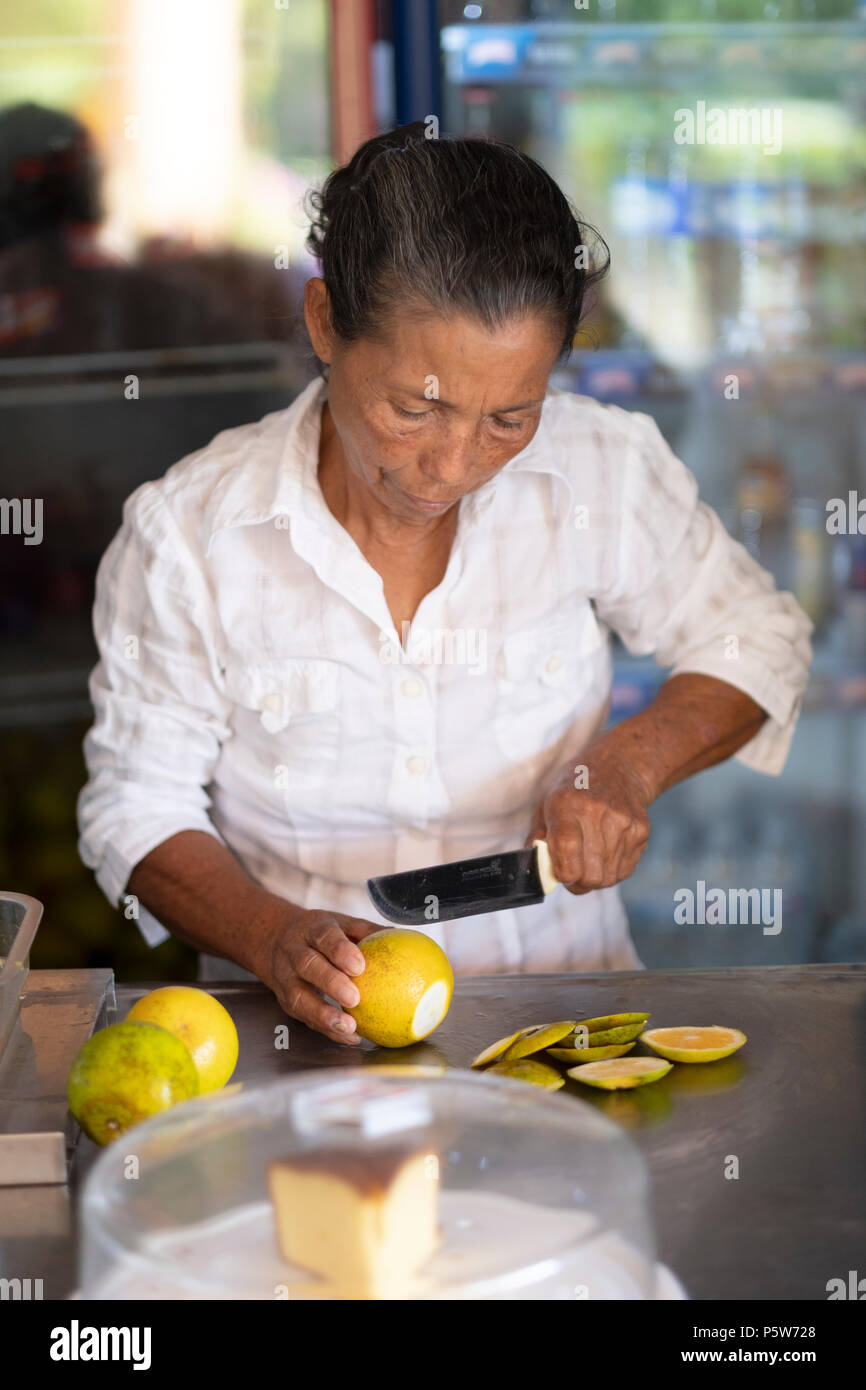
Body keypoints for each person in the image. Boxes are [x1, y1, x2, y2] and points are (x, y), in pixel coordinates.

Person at [77, 124, 812, 1045]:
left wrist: (628, 765)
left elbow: (754, 635)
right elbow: (137, 805)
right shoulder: (188, 533)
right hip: (302, 1047)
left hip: (567, 1019)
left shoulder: (599, 470)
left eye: (510, 418)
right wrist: (271, 938)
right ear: (323, 324)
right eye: (415, 409)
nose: (453, 466)